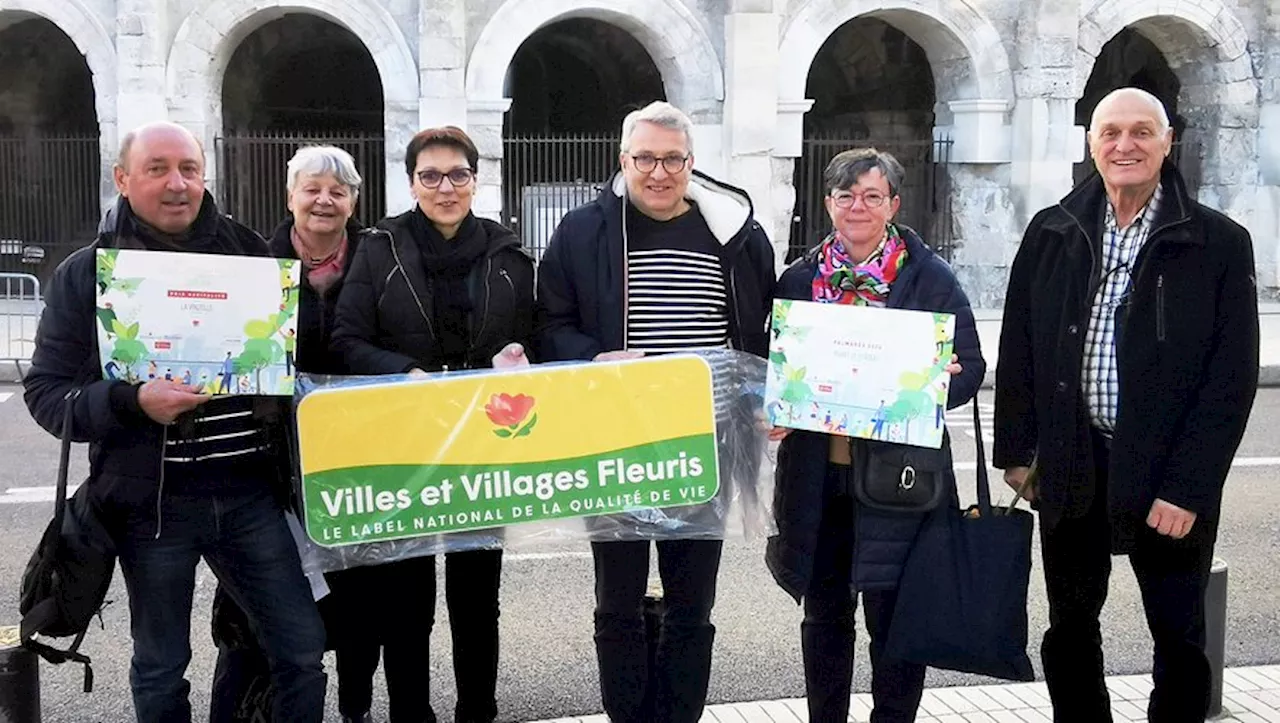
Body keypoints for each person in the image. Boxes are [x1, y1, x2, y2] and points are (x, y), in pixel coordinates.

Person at [21, 121, 327, 723]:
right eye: (157, 168)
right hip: (150, 507)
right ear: (122, 178)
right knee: (161, 668)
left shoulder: (248, 253)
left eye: (189, 169)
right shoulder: (87, 274)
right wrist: (131, 402)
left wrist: (300, 307)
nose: (177, 184)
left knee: (302, 650)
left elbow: (299, 354)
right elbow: (46, 394)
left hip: (249, 496)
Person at [994, 87, 1259, 723]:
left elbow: (1230, 379)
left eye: (1143, 132)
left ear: (1168, 143)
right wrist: (1018, 452)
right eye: (1111, 133)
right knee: (1070, 628)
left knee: (1179, 637)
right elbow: (1020, 345)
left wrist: (1189, 487)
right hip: (1072, 462)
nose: (1125, 145)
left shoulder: (1217, 242)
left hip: (1166, 476)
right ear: (1091, 144)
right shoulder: (1053, 229)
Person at [535, 100, 776, 723]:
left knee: (692, 601)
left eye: (673, 159)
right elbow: (550, 323)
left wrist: (765, 397)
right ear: (623, 161)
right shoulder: (584, 231)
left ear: (691, 163)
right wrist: (592, 359)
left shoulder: (736, 234)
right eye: (645, 158)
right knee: (617, 599)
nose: (659, 171)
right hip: (615, 443)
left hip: (709, 442)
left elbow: (763, 332)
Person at [763, 148, 984, 723]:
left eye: (871, 196)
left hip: (899, 481)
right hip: (819, 478)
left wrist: (947, 379)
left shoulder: (929, 277)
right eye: (846, 196)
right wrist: (779, 405)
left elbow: (971, 366)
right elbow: (779, 368)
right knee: (824, 616)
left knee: (896, 620)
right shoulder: (800, 279)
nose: (857, 207)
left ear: (893, 204)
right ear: (829, 203)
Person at [330, 126, 534, 723]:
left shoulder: (509, 255)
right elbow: (347, 339)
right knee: (406, 599)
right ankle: (410, 713)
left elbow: (535, 339)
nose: (446, 187)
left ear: (475, 179)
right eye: (431, 176)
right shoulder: (379, 248)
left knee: (478, 600)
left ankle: (478, 710)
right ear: (412, 182)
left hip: (483, 446)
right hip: (405, 443)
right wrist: (405, 371)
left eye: (458, 175)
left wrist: (519, 356)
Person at [208, 144, 376, 723]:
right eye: (312, 188)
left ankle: (354, 710)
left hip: (357, 465)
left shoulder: (378, 258)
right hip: (269, 471)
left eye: (338, 190)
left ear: (354, 201)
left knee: (355, 608)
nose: (324, 200)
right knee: (255, 612)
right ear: (290, 197)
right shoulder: (255, 263)